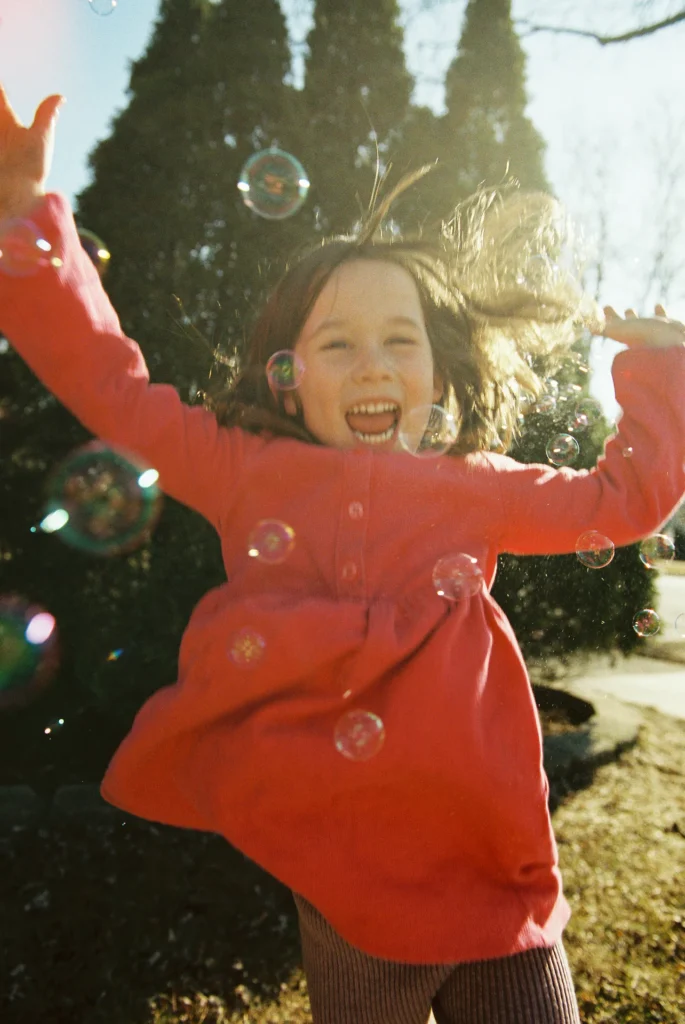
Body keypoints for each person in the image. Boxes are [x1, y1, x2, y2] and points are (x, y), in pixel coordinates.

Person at [2, 85, 685, 1024]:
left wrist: (661, 371)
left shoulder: (476, 485)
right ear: (286, 378)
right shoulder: (242, 468)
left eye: (401, 340)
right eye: (338, 343)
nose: (372, 364)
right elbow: (112, 386)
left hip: (495, 873)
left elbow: (621, 501)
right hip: (348, 885)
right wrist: (25, 218)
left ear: (439, 372)